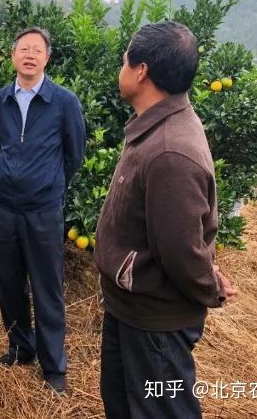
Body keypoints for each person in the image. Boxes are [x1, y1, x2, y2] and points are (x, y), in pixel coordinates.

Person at [94, 21, 237, 418]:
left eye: (124, 61)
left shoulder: (170, 151)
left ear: (141, 72)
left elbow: (179, 250)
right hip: (132, 310)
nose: (121, 69)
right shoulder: (157, 127)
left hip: (155, 325)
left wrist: (209, 285)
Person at [0, 26, 86, 394]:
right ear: (13, 55)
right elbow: (2, 144)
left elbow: (73, 154)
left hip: (43, 210)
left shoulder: (64, 102)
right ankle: (20, 347)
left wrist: (48, 184)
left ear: (47, 58)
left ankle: (54, 367)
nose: (29, 55)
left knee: (47, 287)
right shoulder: (0, 100)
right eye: (23, 49)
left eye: (37, 50)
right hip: (3, 207)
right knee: (9, 282)